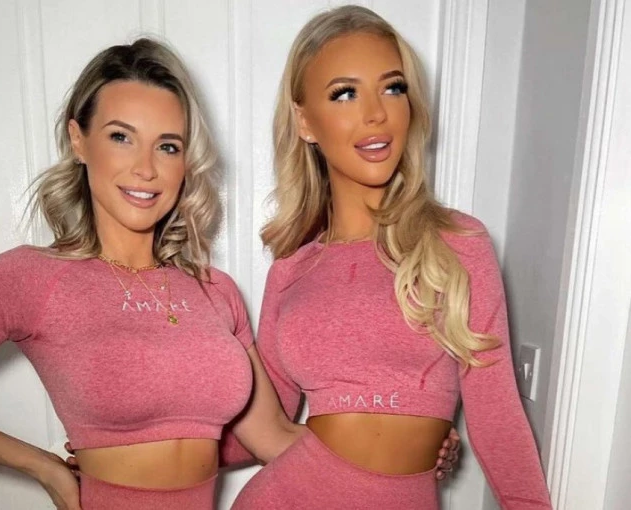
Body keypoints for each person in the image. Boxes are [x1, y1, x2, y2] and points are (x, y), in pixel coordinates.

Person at [0, 37, 458, 510]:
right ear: (78, 138)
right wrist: (40, 465)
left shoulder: (214, 292)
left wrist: (408, 439)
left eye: (168, 146)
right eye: (121, 137)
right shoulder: (30, 278)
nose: (146, 168)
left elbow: (275, 438)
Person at [231, 5, 552, 510]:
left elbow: (499, 418)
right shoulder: (291, 271)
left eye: (393, 88)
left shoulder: (458, 243)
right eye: (345, 93)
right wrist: (134, 442)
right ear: (305, 121)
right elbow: (260, 427)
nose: (376, 113)